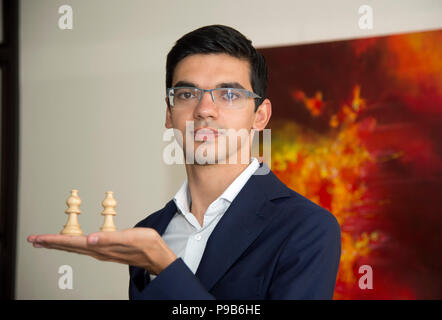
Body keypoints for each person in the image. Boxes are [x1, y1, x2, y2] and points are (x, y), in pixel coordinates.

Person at [28, 25, 341, 300]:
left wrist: (165, 268)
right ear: (169, 114)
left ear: (260, 116)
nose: (205, 109)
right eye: (187, 93)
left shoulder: (307, 228)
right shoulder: (149, 232)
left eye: (228, 94)